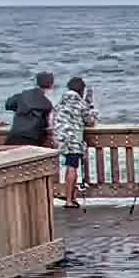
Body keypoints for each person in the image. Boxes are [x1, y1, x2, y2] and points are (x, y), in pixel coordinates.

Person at [53, 76, 97, 207]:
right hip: (73, 139)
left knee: (69, 166)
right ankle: (69, 200)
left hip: (60, 138)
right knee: (72, 167)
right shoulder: (80, 103)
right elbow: (90, 121)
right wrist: (91, 107)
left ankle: (70, 197)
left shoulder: (61, 102)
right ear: (81, 90)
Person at [5, 73, 56, 147]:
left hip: (13, 138)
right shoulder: (48, 104)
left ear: (37, 83)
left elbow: (8, 104)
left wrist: (20, 108)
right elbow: (50, 126)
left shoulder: (23, 95)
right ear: (51, 85)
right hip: (32, 141)